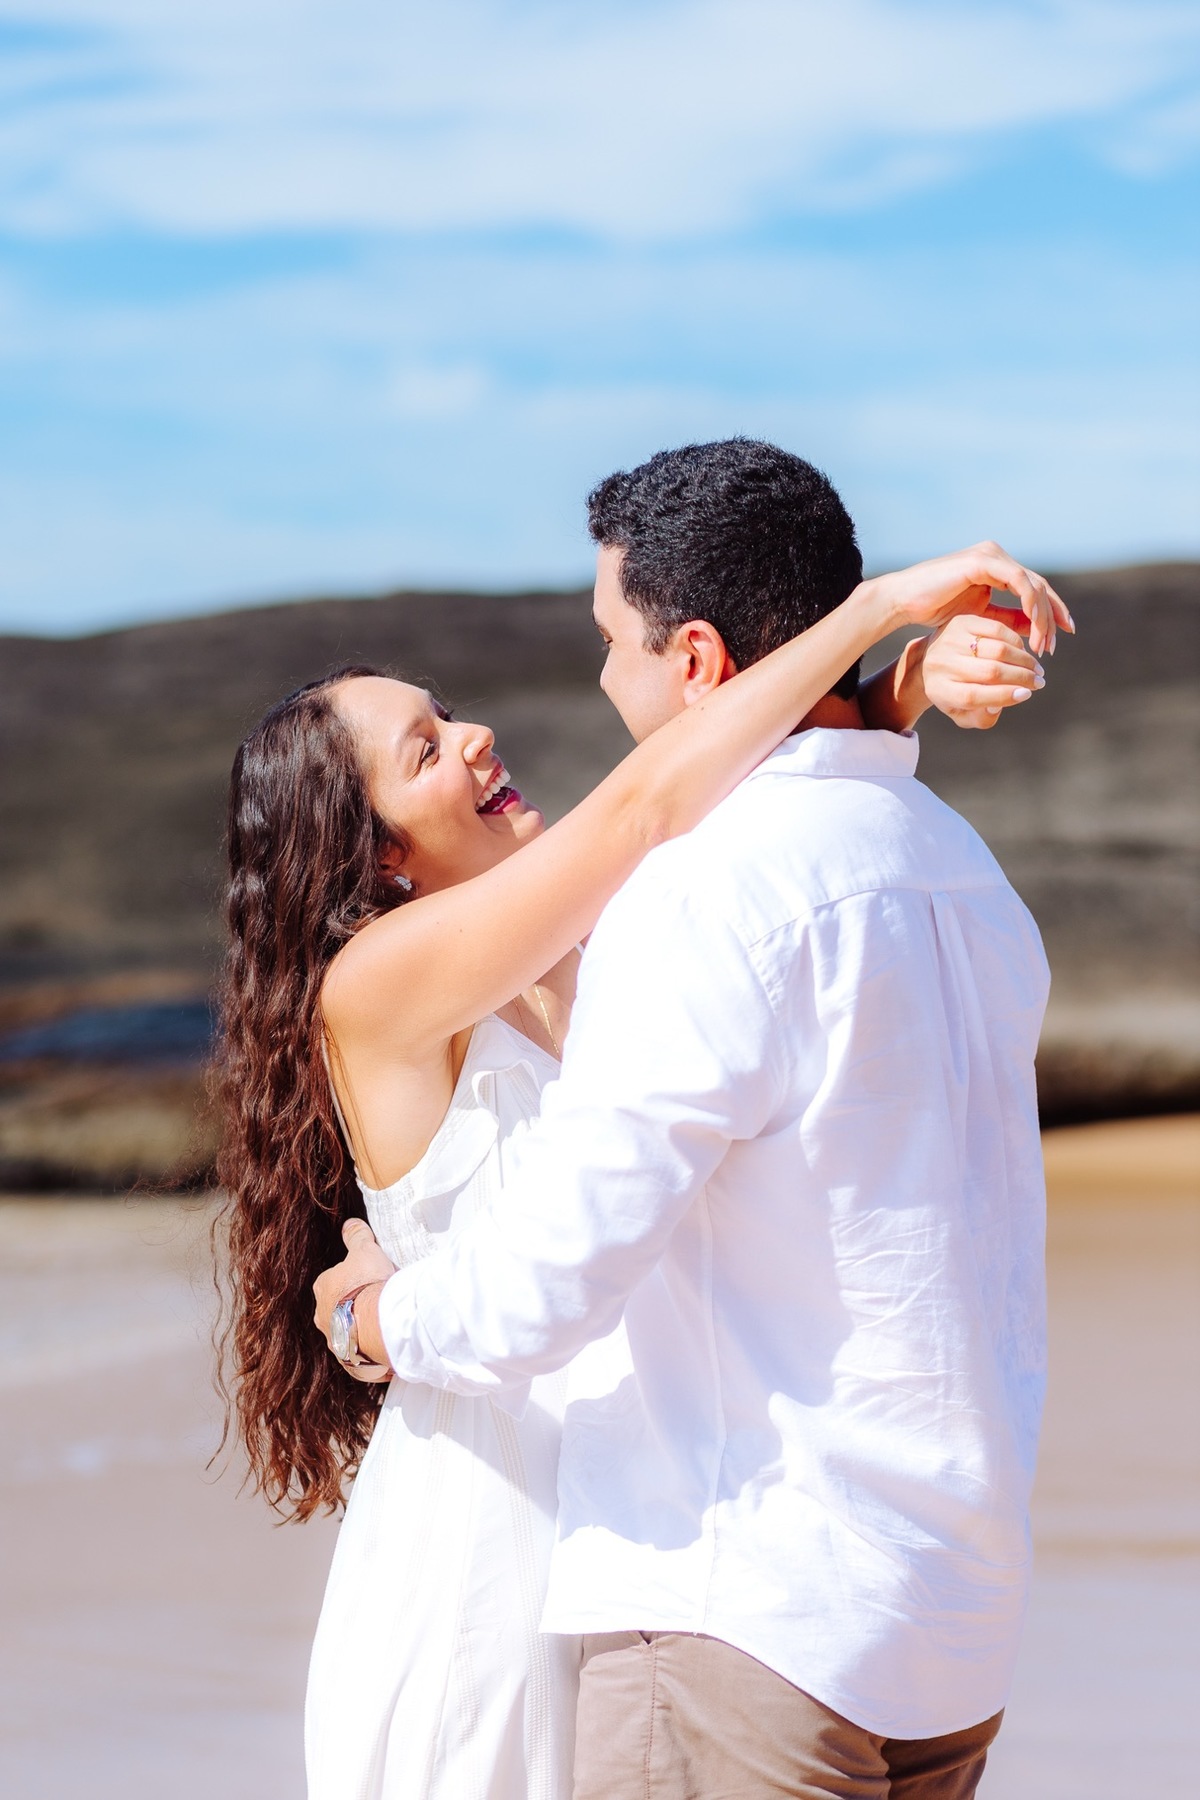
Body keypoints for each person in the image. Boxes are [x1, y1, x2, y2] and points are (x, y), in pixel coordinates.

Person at [313, 440, 1072, 1800]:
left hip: (717, 1576)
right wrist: (881, 660)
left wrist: (375, 1320)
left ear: (702, 658)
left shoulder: (682, 905)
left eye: (612, 642)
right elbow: (678, 801)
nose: (489, 730)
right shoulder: (961, 878)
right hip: (847, 1596)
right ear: (372, 848)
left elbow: (547, 1277)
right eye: (424, 747)